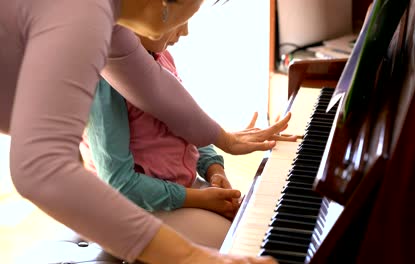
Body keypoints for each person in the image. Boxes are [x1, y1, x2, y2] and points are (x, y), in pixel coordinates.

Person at [0, 0, 294, 263]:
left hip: (165, 189)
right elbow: (40, 169)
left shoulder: (110, 21)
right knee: (236, 242)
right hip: (132, 196)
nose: (187, 30)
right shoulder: (84, 13)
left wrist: (222, 141)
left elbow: (156, 90)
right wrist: (191, 257)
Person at [80, 22, 249, 248]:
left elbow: (188, 123)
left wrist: (214, 170)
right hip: (128, 207)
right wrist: (200, 199)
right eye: (180, 20)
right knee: (237, 244)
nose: (185, 31)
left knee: (251, 221)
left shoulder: (162, 57)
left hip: (177, 187)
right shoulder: (104, 81)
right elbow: (118, 183)